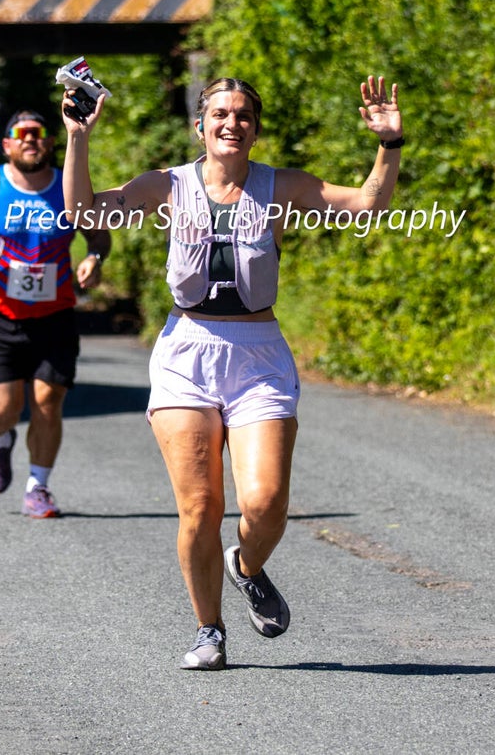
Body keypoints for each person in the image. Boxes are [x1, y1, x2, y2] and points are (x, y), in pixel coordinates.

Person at [61, 74, 403, 667]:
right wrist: (78, 138)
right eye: (220, 113)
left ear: (255, 128)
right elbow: (83, 212)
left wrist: (389, 145)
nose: (231, 123)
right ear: (200, 126)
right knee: (200, 507)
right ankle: (209, 631)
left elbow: (370, 204)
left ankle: (245, 565)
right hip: (187, 352)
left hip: (257, 353)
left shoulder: (280, 187)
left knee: (265, 503)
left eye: (243, 115)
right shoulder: (165, 186)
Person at [0, 109, 111, 518]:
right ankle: (0, 443)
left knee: (47, 400)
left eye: (39, 134)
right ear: (7, 144)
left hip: (55, 314)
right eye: (22, 134)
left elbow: (99, 235)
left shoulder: (67, 188)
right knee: (0, 409)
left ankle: (38, 487)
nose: (31, 140)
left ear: (50, 143)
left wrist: (93, 257)